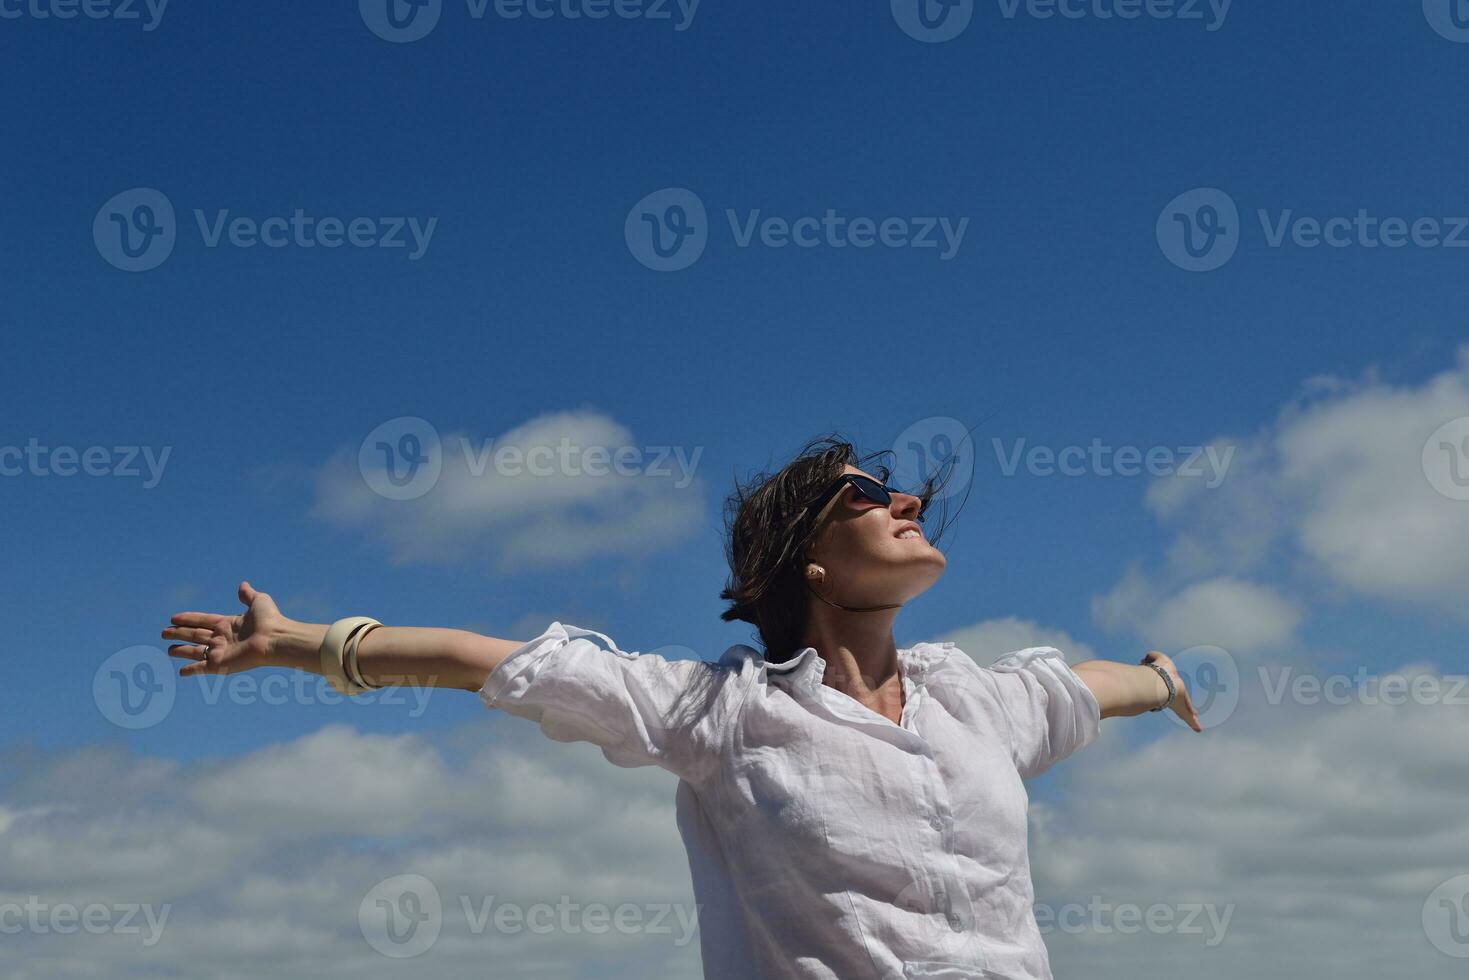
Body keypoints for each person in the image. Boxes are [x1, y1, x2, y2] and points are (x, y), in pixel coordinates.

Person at [162, 436, 1200, 980]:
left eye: (898, 490)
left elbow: (1083, 686)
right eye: (862, 494)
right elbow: (494, 661)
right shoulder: (722, 711)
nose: (903, 501)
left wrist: (1159, 677)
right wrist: (302, 643)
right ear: (808, 558)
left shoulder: (975, 700)